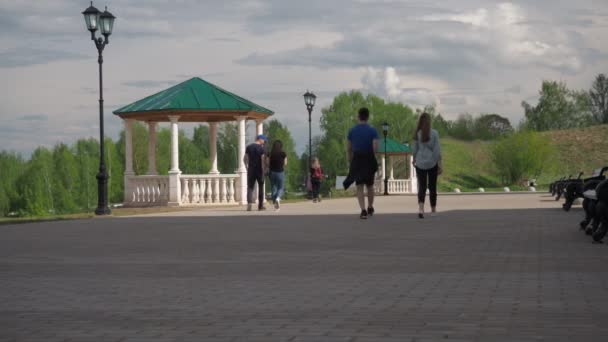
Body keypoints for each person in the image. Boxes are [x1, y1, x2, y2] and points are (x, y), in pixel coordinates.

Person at [345, 107, 379, 219]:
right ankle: (370, 206)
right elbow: (375, 147)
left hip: (357, 159)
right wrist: (374, 157)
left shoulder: (352, 131)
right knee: (370, 185)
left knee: (359, 186)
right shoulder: (373, 130)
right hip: (369, 158)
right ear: (368, 117)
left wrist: (350, 160)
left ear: (358, 116)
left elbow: (349, 148)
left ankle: (363, 210)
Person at [411, 112, 442, 219]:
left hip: (420, 163)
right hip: (432, 162)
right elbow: (437, 150)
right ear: (429, 121)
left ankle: (421, 208)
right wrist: (439, 163)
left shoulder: (417, 133)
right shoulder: (434, 133)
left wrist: (414, 158)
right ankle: (433, 209)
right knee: (433, 187)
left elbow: (414, 149)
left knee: (422, 186)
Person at [244, 134, 268, 211]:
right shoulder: (261, 148)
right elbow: (262, 159)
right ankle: (260, 206)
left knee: (250, 187)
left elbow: (245, 158)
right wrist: (264, 169)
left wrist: (247, 167)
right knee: (261, 187)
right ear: (260, 139)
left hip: (251, 170)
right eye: (264, 140)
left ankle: (249, 203)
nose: (264, 142)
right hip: (259, 170)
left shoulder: (249, 147)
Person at [268, 140, 287, 210]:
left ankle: (274, 201)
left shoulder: (270, 153)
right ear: (281, 146)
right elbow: (285, 163)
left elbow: (267, 163)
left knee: (273, 187)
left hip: (272, 172)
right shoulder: (283, 154)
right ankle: (278, 198)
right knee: (281, 188)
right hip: (280, 172)